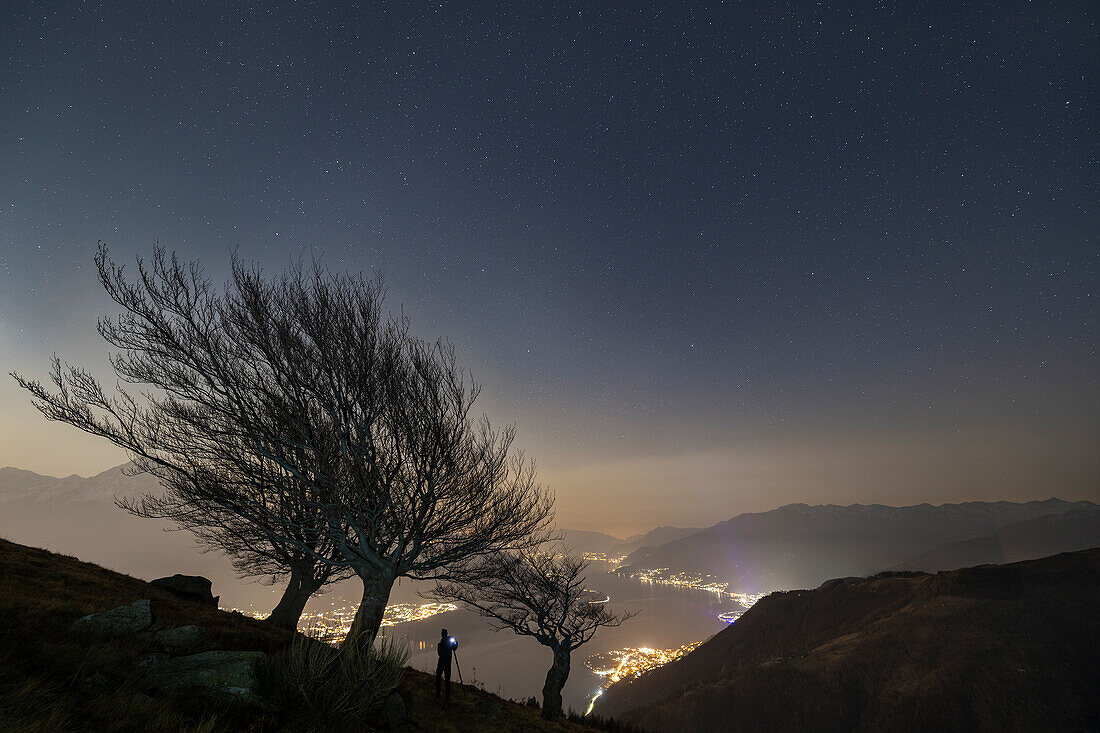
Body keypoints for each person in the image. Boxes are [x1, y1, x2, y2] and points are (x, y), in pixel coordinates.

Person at [435, 628, 457, 702]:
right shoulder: (448, 643)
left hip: (441, 662)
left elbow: (439, 653)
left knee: (438, 677)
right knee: (447, 680)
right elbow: (455, 647)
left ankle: (438, 694)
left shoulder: (441, 643)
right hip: (447, 663)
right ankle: (447, 697)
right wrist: (454, 642)